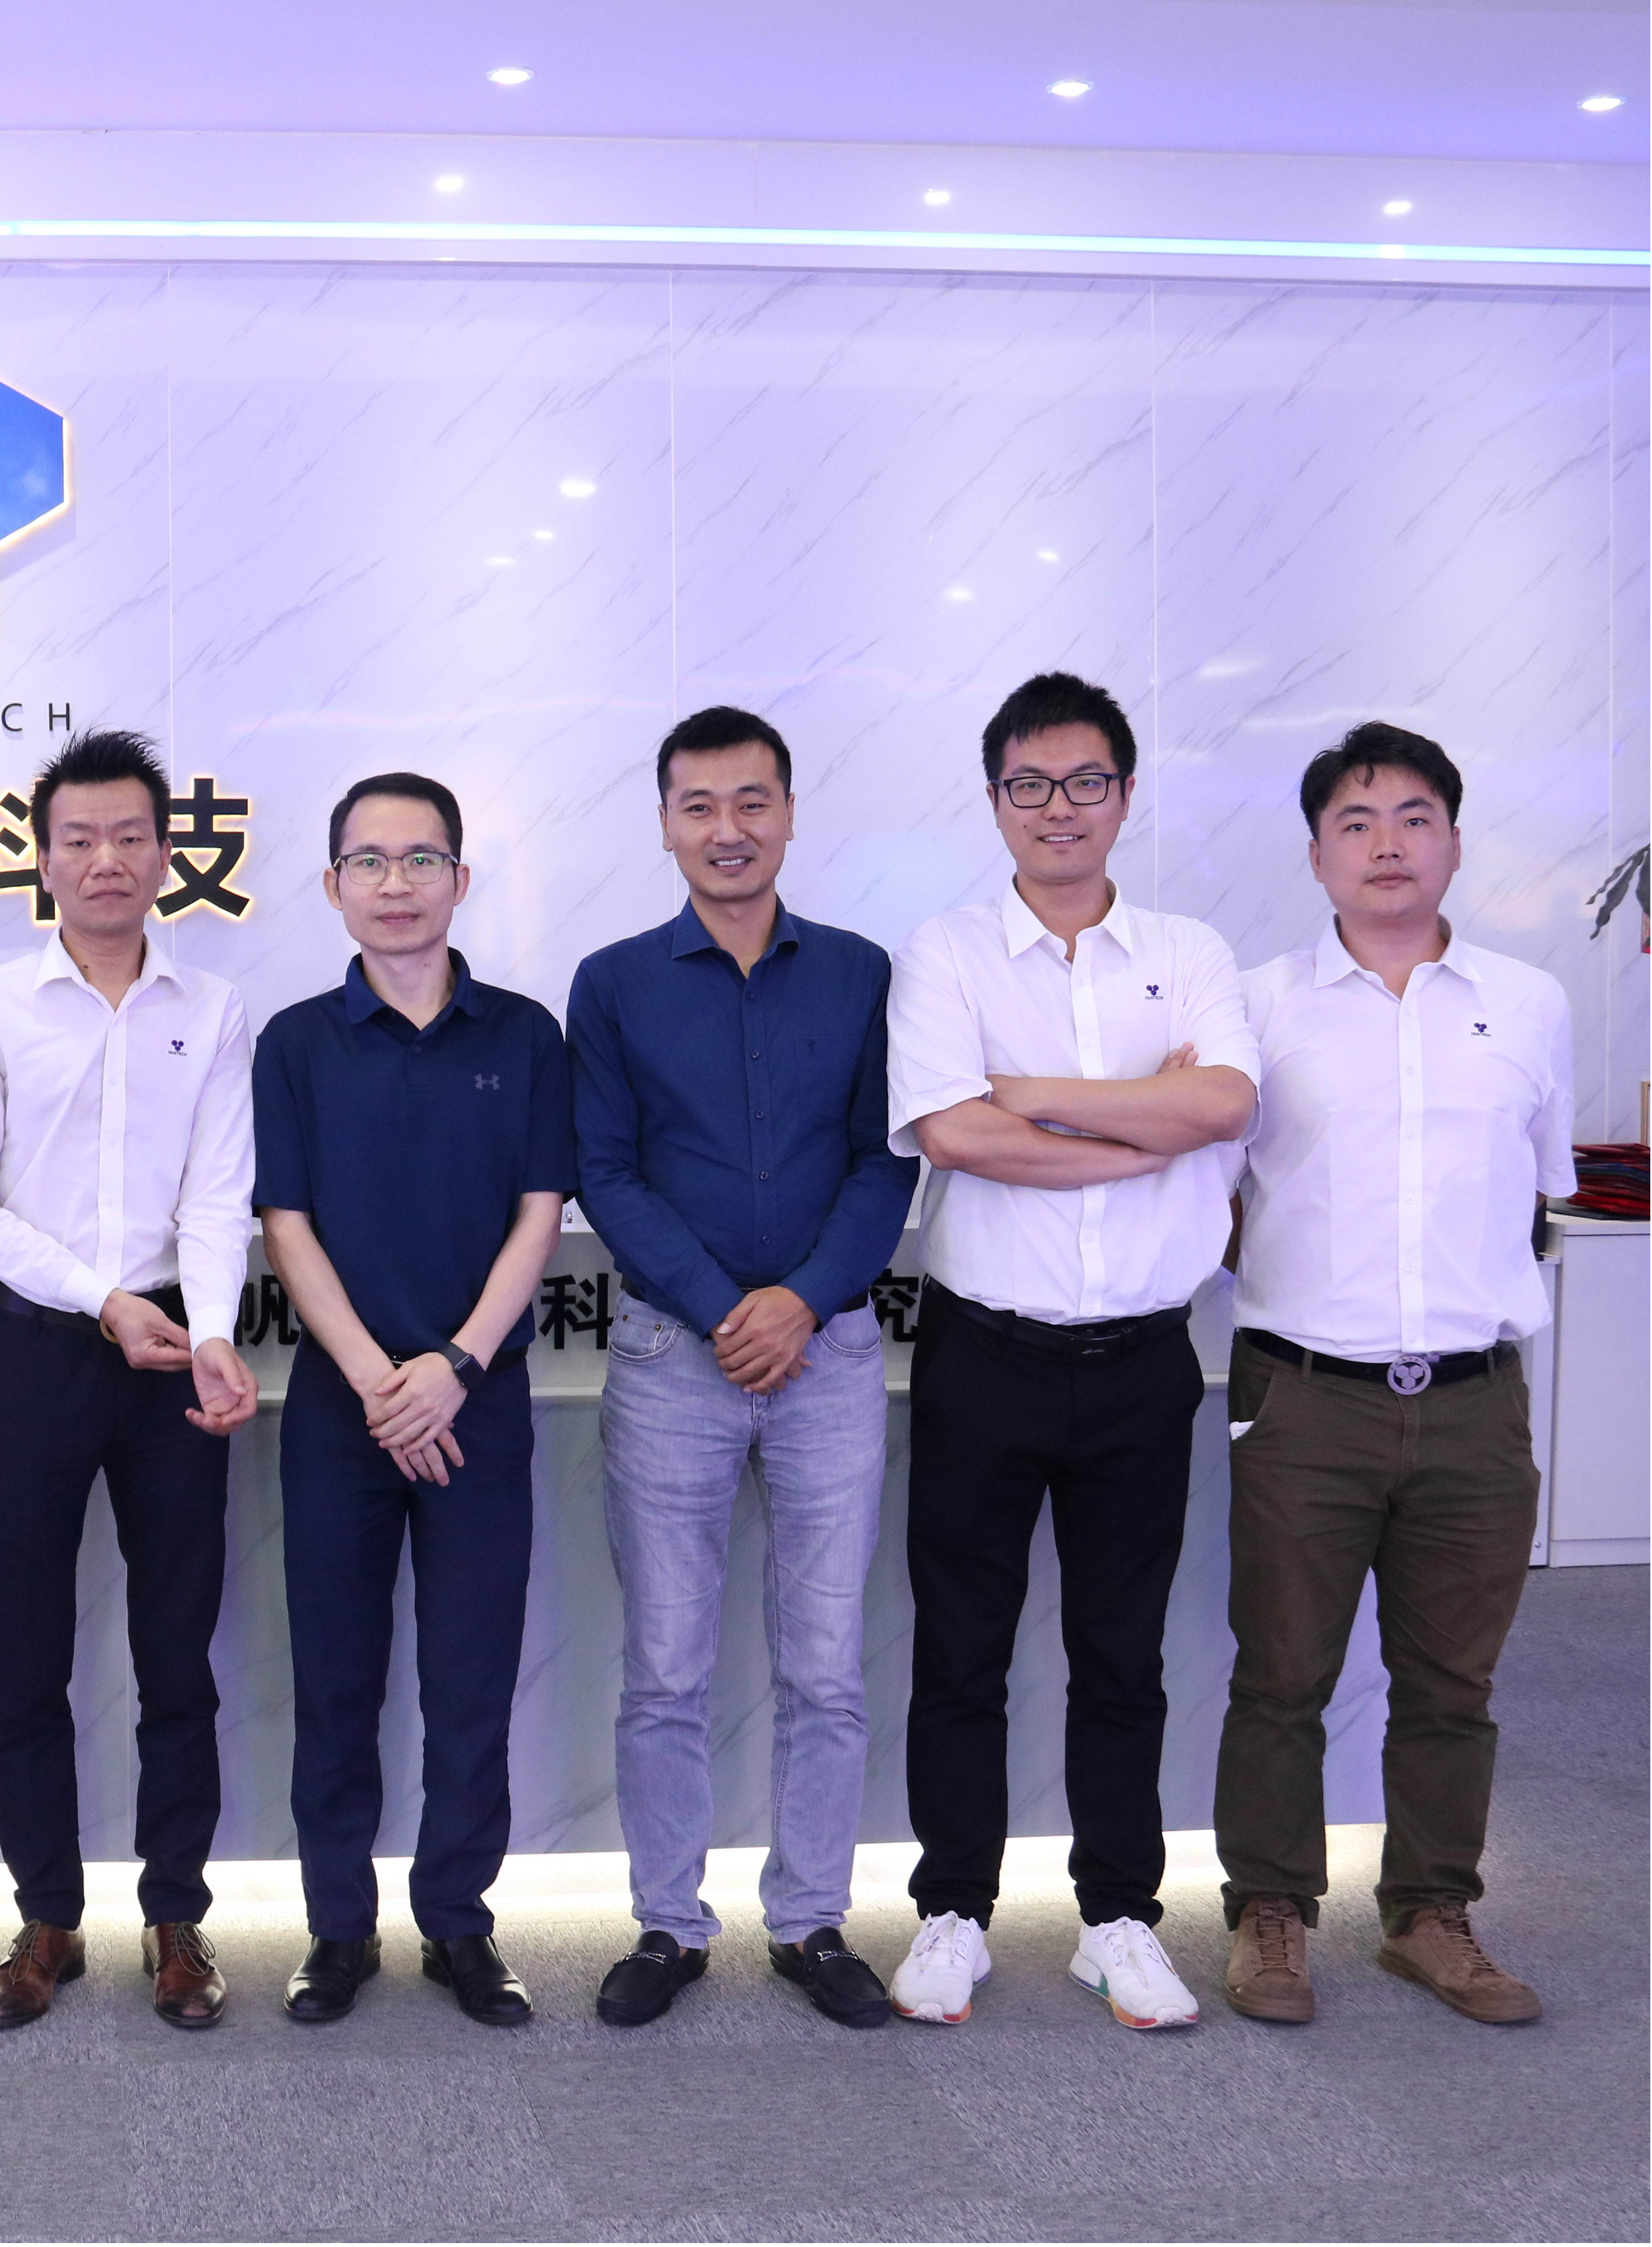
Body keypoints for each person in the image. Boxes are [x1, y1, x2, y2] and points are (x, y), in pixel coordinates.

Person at [881, 672, 1258, 2032]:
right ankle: (951, 1912)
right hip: (983, 1354)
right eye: (1029, 785)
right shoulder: (945, 952)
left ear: (1124, 794)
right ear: (995, 801)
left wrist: (1032, 1098)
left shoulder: (1187, 949)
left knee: (1120, 1654)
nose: (1058, 808)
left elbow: (1222, 1103)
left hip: (1145, 1360)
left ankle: (1116, 1920)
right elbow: (952, 1134)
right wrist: (1140, 1121)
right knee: (958, 1651)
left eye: (1084, 781)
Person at [1216, 725, 1573, 2028]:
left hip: (1475, 1401)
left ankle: (1429, 1913)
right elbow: (1215, 1198)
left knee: (1449, 1685)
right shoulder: (1253, 1005)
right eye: (1354, 821)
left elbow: (1536, 1187)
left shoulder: (1526, 1003)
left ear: (1453, 844)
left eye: (1413, 817)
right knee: (1280, 1677)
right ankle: (1268, 1914)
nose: (1385, 843)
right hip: (1303, 1394)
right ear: (1315, 853)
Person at [567, 707, 917, 2031]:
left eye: (750, 801)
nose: (727, 829)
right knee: (665, 1666)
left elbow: (884, 1159)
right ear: (663, 822)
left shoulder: (859, 973)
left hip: (829, 1351)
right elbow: (604, 1171)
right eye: (699, 805)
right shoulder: (612, 982)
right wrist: (728, 1310)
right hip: (674, 1352)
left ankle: (811, 1919)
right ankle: (667, 1922)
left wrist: (799, 1301)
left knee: (824, 1665)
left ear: (788, 813)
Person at [0, 729, 260, 2032]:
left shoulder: (212, 1008)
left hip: (175, 1353)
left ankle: (175, 1918)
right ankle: (45, 1920)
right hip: (35, 1348)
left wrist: (211, 1329)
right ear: (43, 857)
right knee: (28, 1655)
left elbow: (218, 1193)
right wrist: (97, 1299)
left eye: (129, 835)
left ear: (167, 853)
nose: (105, 859)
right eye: (78, 838)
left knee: (176, 1652)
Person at [252, 772, 576, 2028]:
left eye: (420, 860)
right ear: (332, 886)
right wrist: (378, 1381)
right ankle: (337, 1927)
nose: (395, 885)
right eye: (369, 863)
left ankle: (458, 1921)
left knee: (469, 1681)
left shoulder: (524, 1035)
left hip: (475, 1401)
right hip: (342, 1411)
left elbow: (539, 1213)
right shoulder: (294, 1042)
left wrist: (453, 1368)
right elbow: (285, 1223)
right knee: (336, 1681)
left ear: (459, 879)